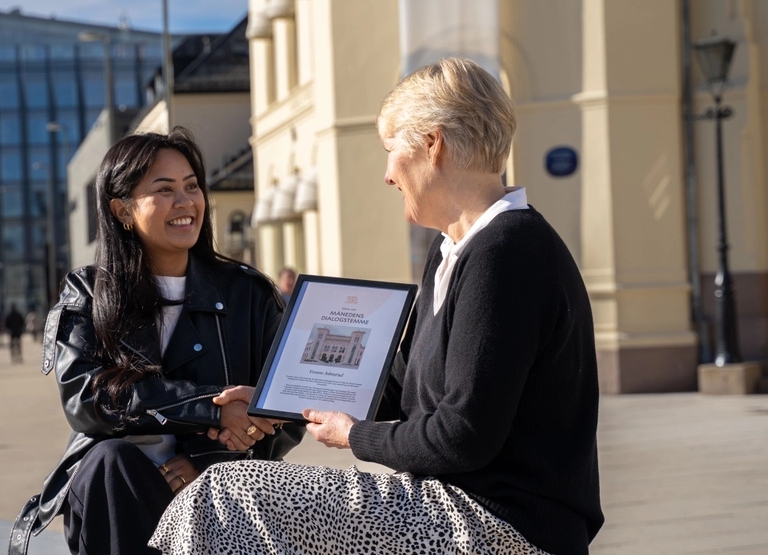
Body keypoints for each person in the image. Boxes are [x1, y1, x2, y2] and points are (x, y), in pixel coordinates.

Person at [150, 58, 604, 555]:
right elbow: (396, 382)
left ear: (433, 145)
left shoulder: (506, 253)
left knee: (228, 495)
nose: (388, 175)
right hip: (455, 507)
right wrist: (277, 399)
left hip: (499, 526)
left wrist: (355, 436)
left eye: (391, 151)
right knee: (226, 496)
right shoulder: (456, 247)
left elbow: (463, 437)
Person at [8, 127, 304, 555]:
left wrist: (204, 463)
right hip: (113, 488)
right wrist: (212, 409)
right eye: (163, 190)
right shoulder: (89, 293)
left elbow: (287, 406)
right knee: (111, 464)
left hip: (219, 490)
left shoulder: (249, 294)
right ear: (122, 210)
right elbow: (86, 400)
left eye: (191, 187)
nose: (185, 202)